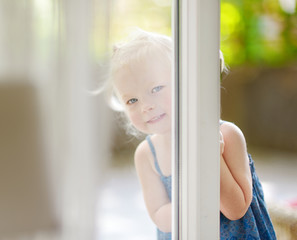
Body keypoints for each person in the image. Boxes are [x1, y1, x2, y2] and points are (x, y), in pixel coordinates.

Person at [104, 28, 276, 240]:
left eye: (155, 89)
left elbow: (236, 209)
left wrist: (213, 159)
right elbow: (160, 217)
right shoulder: (147, 155)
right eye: (132, 100)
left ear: (185, 82)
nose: (145, 106)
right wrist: (197, 197)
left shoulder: (227, 134)